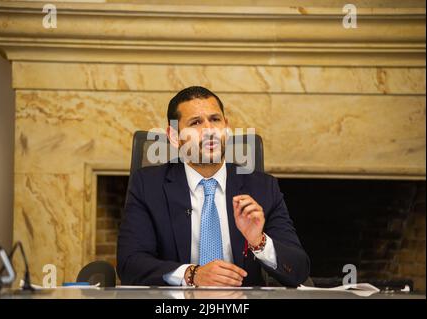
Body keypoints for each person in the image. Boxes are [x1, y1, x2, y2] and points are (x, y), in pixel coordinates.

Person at [117, 86, 310, 287]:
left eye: (215, 120)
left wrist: (259, 242)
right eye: (196, 122)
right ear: (174, 136)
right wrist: (192, 275)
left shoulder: (262, 187)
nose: (210, 131)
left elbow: (298, 271)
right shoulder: (148, 186)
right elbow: (129, 264)